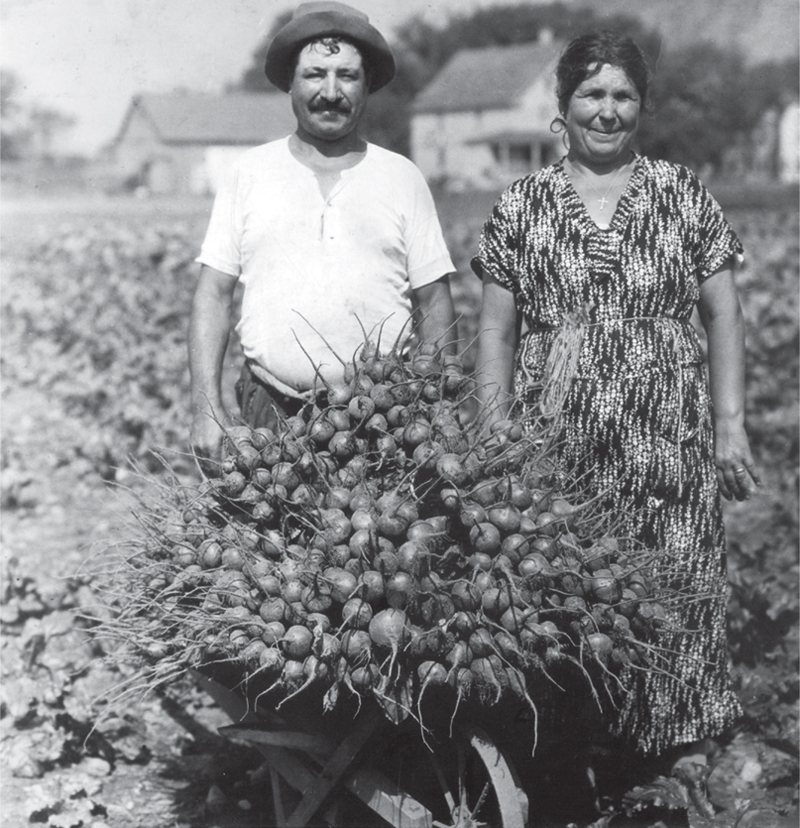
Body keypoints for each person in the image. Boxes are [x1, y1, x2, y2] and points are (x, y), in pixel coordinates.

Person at [473, 31, 760, 769]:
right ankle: (574, 753)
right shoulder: (524, 204)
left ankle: (676, 750)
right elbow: (497, 332)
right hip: (556, 438)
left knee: (679, 577)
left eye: (623, 96)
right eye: (592, 95)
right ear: (562, 107)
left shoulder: (678, 192)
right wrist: (494, 432)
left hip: (667, 433)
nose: (608, 111)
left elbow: (724, 313)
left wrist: (730, 425)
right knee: (565, 584)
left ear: (642, 106)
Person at [189, 1, 456, 461]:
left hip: (385, 420)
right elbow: (212, 294)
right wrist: (205, 405)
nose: (331, 92)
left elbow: (434, 301)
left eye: (347, 76)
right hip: (269, 414)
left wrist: (439, 407)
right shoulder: (249, 173)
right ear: (289, 83)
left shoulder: (400, 176)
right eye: (315, 74)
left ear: (367, 84)